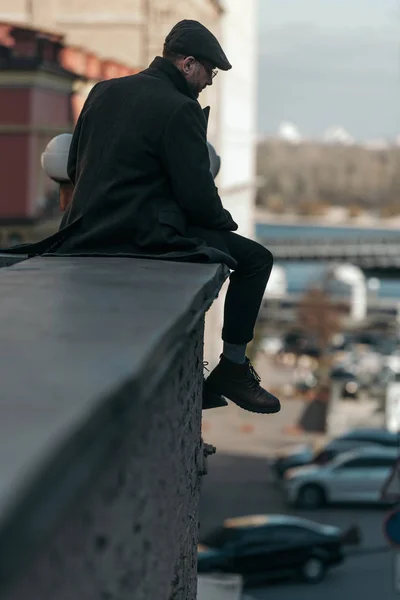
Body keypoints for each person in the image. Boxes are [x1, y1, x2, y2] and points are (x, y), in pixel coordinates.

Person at [1, 20, 280, 415]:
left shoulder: (103, 90)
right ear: (187, 65)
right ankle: (232, 367)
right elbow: (197, 196)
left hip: (85, 229)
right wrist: (223, 223)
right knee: (255, 260)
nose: (209, 82)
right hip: (143, 234)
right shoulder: (179, 108)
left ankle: (228, 371)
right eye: (208, 72)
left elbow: (77, 165)